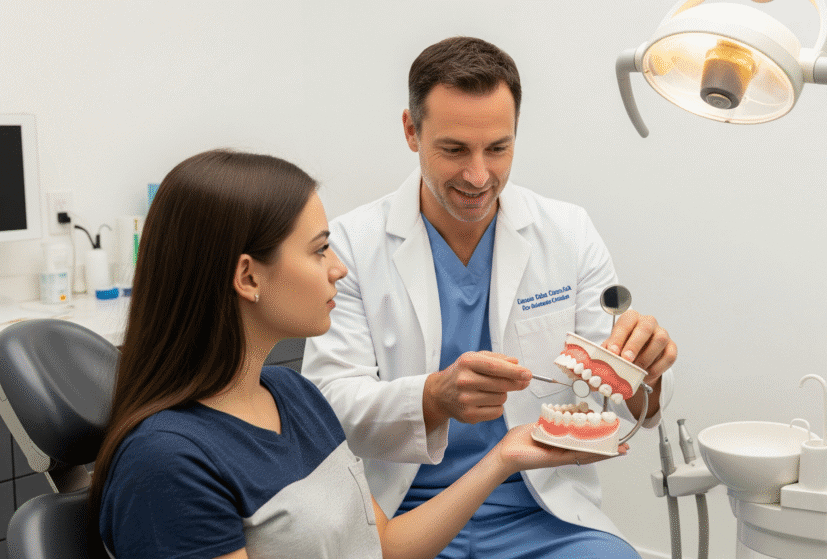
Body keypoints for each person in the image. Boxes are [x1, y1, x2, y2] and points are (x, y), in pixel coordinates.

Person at [87, 149, 622, 559]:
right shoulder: (168, 466)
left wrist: (505, 454)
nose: (339, 268)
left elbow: (383, 546)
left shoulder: (292, 397)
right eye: (319, 250)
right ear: (248, 276)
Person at [302, 36, 678, 557]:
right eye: (454, 149)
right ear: (412, 132)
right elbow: (329, 406)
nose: (479, 176)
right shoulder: (349, 245)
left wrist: (647, 372)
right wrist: (432, 398)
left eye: (497, 148)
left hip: (541, 514)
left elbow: (624, 393)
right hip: (405, 512)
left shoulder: (566, 232)